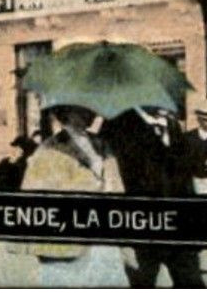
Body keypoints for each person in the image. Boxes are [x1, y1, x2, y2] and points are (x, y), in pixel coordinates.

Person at [19, 104, 124, 286]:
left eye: (90, 108)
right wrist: (93, 186)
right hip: (67, 243)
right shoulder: (49, 149)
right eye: (83, 109)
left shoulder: (101, 144)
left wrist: (110, 187)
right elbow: (37, 196)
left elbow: (117, 187)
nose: (91, 113)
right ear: (68, 113)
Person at [102, 104, 203, 288]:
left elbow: (184, 177)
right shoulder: (118, 124)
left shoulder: (173, 125)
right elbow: (113, 180)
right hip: (141, 227)